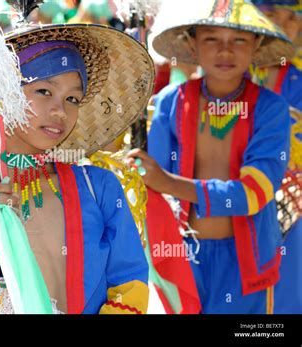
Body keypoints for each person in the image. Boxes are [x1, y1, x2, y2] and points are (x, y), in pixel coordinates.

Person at [0, 1, 154, 314]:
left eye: (72, 99)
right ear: (2, 97)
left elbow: (130, 284)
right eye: (43, 92)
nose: (59, 111)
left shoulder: (100, 189)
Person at [129, 0, 293, 313]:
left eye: (239, 40)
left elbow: (254, 193)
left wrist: (168, 182)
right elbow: (152, 186)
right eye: (211, 39)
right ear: (192, 43)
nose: (225, 51)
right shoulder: (169, 103)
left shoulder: (271, 110)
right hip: (181, 257)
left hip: (246, 264)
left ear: (256, 44)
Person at [251, 0, 302, 314]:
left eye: (292, 18)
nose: (283, 27)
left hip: (292, 217)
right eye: (271, 16)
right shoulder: (224, 79)